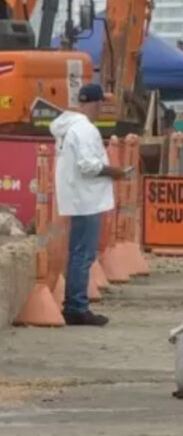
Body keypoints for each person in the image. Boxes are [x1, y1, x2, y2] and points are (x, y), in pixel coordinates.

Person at [49, 83, 128, 326]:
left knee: (77, 253)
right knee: (83, 254)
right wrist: (114, 171)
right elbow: (88, 165)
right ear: (94, 103)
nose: (101, 108)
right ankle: (76, 306)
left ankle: (74, 303)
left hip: (77, 197)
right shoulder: (84, 129)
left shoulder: (67, 127)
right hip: (87, 199)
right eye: (101, 103)